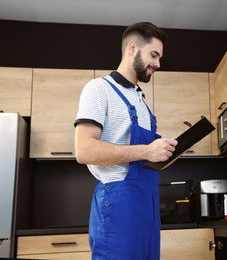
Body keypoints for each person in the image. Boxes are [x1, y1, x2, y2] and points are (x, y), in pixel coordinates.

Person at [74, 22, 178, 260]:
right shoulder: (99, 89)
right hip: (119, 206)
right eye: (154, 55)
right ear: (132, 48)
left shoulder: (141, 102)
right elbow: (84, 150)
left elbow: (145, 158)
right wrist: (146, 151)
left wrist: (166, 152)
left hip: (148, 208)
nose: (158, 64)